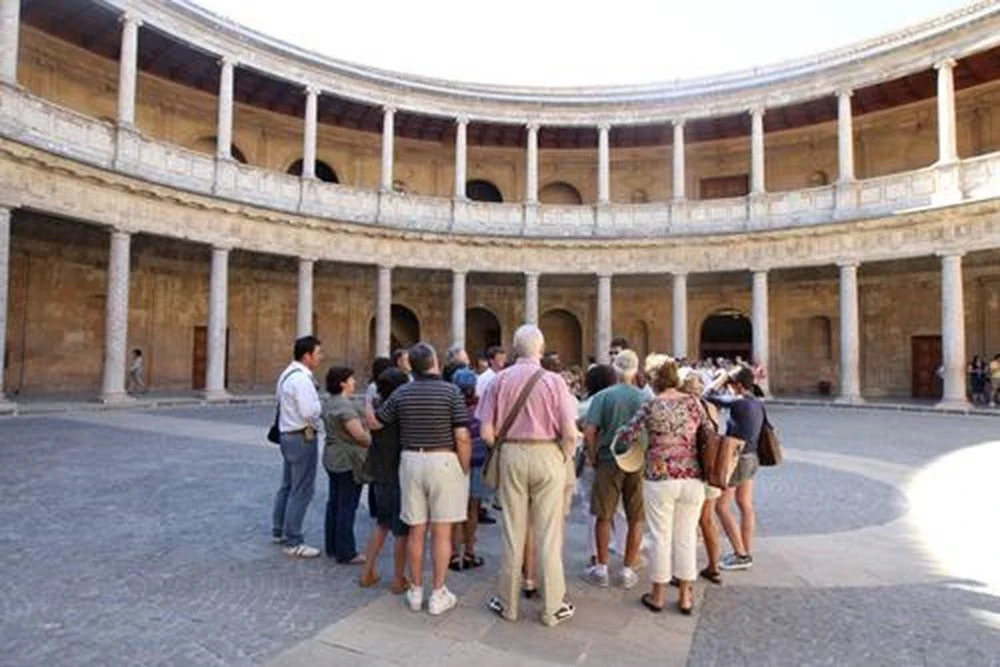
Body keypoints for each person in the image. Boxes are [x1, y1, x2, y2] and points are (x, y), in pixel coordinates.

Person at [480, 324, 578, 628]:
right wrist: (563, 456)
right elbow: (570, 432)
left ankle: (508, 604)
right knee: (549, 533)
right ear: (541, 347)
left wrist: (506, 448)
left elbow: (486, 432)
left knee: (512, 531)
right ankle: (552, 607)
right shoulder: (555, 381)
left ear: (513, 347)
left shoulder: (499, 380)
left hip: (511, 453)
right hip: (548, 453)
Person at [372, 343, 471, 616]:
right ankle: (438, 592)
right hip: (443, 458)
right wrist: (463, 467)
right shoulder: (451, 391)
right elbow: (462, 434)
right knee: (442, 530)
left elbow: (378, 422)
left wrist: (365, 406)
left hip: (411, 460)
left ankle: (415, 590)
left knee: (416, 528)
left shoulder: (402, 392)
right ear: (435, 361)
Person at [616, 355, 706, 614]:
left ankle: (657, 595)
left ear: (654, 381)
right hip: (691, 475)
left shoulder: (651, 405)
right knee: (686, 535)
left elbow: (627, 434)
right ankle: (686, 596)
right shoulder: (692, 402)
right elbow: (708, 428)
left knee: (660, 536)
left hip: (660, 476)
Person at [581, 350, 647, 590]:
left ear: (615, 369)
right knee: (636, 516)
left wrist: (592, 454)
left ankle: (602, 568)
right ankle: (628, 568)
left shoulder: (603, 397)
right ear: (635, 370)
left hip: (609, 459)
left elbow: (589, 431)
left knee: (603, 514)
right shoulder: (644, 397)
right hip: (637, 459)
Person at [704, 365, 765, 571]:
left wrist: (722, 378)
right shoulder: (757, 402)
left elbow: (707, 395)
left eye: (731, 385)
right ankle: (745, 550)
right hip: (752, 457)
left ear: (738, 386)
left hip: (737, 459)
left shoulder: (738, 402)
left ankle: (741, 554)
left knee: (721, 507)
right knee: (745, 504)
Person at [359, 367, 411, 593]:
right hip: (398, 474)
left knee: (381, 524)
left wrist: (368, 402)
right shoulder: (401, 411)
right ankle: (398, 579)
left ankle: (367, 571)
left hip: (379, 474)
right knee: (401, 531)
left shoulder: (377, 409)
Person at [272, 335, 324, 558]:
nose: (320, 357)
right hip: (301, 436)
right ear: (307, 355)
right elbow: (309, 412)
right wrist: (320, 407)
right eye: (318, 353)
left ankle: (279, 529)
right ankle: (293, 539)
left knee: (288, 485)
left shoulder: (287, 374)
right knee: (301, 488)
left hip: (287, 435)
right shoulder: (302, 379)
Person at [678, 369, 724, 585]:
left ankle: (683, 574)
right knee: (707, 520)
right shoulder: (711, 407)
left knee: (685, 523)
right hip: (712, 468)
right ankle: (714, 566)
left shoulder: (684, 408)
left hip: (692, 470)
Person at [322, 366, 371, 564]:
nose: (354, 382)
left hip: (332, 457)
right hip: (347, 460)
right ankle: (346, 551)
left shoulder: (330, 402)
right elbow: (359, 435)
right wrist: (372, 441)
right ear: (342, 383)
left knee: (334, 502)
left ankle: (332, 545)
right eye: (351, 379)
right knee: (347, 506)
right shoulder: (344, 407)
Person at [575, 364, 618, 567]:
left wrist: (591, 457)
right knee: (619, 509)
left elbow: (579, 428)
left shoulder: (584, 405)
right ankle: (626, 552)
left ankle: (595, 556)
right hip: (616, 459)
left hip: (592, 460)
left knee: (591, 508)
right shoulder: (618, 401)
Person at [449, 367, 489, 571]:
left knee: (455, 510)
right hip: (477, 459)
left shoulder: (450, 406)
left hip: (455, 460)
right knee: (472, 508)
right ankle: (470, 551)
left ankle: (455, 554)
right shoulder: (482, 406)